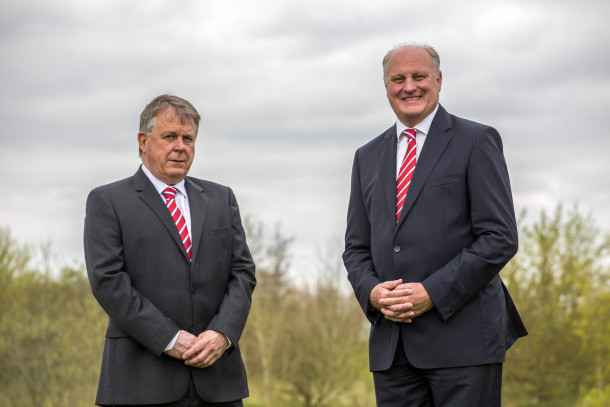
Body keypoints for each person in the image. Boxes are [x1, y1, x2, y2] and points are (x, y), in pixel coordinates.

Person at [343, 43, 527, 406]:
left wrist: (432, 292)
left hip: (465, 344)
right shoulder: (366, 156)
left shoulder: (476, 140)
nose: (408, 86)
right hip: (392, 350)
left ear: (439, 81)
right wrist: (374, 293)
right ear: (386, 86)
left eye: (419, 76)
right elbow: (356, 248)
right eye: (398, 79)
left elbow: (499, 237)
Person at [84, 94, 256, 407]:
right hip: (140, 383)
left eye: (188, 138)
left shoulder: (221, 199)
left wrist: (222, 333)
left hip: (218, 383)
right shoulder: (108, 202)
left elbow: (242, 273)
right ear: (143, 140)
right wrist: (170, 339)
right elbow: (109, 283)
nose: (180, 146)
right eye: (169, 136)